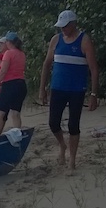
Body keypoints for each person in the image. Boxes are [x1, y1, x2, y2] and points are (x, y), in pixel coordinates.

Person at [39, 10, 99, 171]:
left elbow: (94, 69)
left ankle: (72, 159)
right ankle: (62, 145)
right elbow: (46, 64)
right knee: (53, 123)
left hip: (77, 89)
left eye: (65, 26)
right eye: (61, 26)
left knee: (73, 124)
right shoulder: (56, 40)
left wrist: (93, 94)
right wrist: (42, 88)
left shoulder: (84, 40)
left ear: (73, 24)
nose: (63, 29)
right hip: (57, 87)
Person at [0, 31, 27, 137]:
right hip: (21, 84)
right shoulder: (21, 53)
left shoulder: (9, 53)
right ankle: (18, 135)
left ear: (9, 42)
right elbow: (6, 65)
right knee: (15, 113)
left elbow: (3, 71)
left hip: (10, 84)